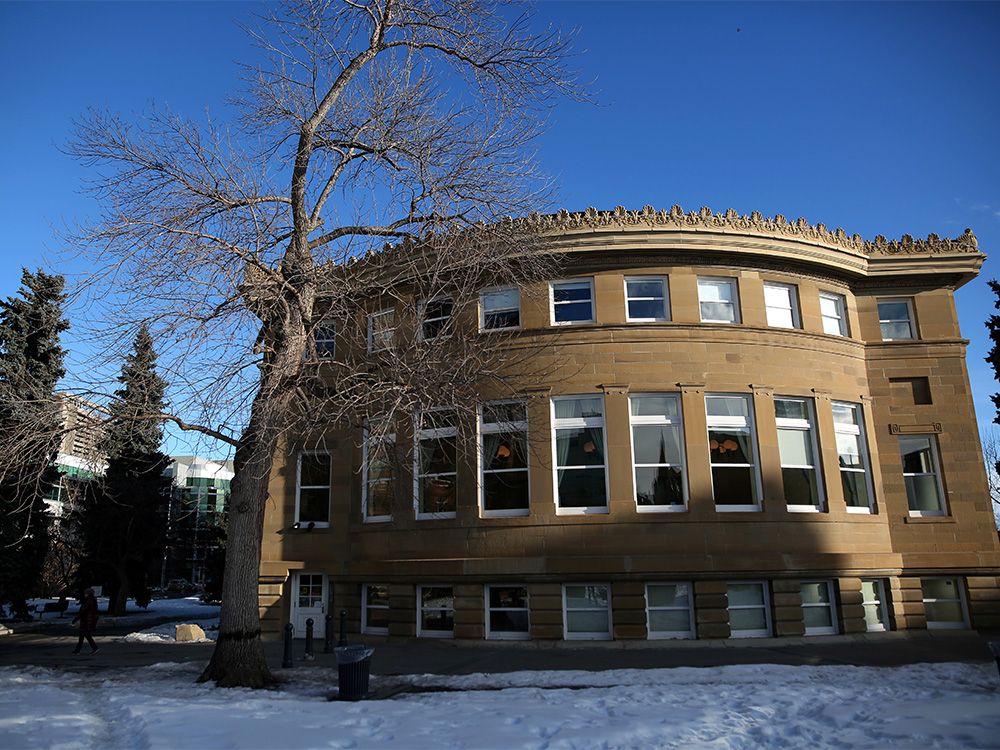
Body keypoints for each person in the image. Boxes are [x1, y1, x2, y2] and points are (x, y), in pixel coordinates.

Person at [71, 588, 99, 655]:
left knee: (85, 635)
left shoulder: (88, 601)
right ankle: (78, 650)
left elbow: (83, 611)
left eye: (86, 593)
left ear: (88, 594)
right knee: (83, 635)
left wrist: (76, 619)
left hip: (86, 621)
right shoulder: (92, 600)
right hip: (88, 620)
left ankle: (94, 648)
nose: (84, 594)